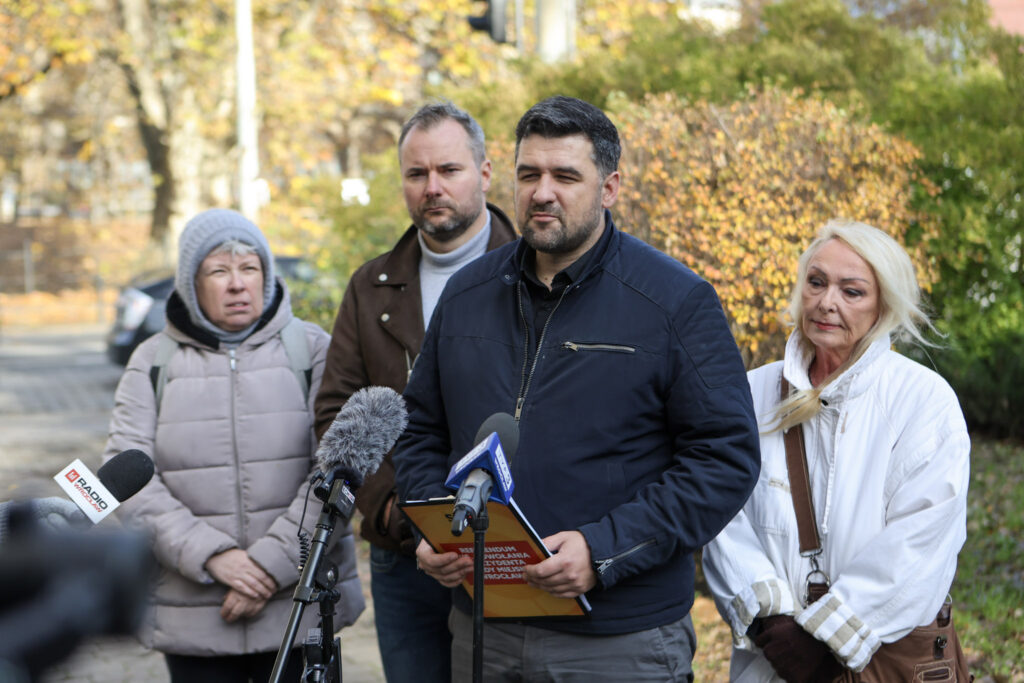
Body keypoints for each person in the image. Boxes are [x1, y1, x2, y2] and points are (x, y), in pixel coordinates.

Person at [392, 95, 761, 682]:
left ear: (609, 188)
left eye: (565, 176)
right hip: (484, 630)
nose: (542, 192)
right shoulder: (466, 294)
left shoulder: (674, 301)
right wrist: (434, 524)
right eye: (529, 174)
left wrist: (604, 549)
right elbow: (418, 430)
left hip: (618, 638)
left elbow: (725, 458)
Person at [702, 219, 971, 682]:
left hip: (883, 663)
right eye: (817, 282)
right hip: (770, 663)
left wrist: (829, 637)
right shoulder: (751, 392)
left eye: (852, 291)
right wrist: (771, 619)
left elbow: (924, 538)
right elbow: (719, 510)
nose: (827, 302)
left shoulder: (923, 401)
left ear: (882, 305)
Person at [103, 208, 365, 683]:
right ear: (191, 283)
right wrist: (212, 556)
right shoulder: (152, 361)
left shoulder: (312, 350)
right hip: (193, 610)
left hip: (297, 607)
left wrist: (267, 567)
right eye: (219, 271)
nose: (238, 284)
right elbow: (129, 481)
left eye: (249, 268)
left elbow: (339, 473)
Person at [313, 100, 516, 683]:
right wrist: (397, 514)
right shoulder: (371, 287)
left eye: (449, 170)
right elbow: (338, 412)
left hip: (507, 551)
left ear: (484, 172)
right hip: (404, 557)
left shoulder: (534, 272)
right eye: (416, 173)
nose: (432, 187)